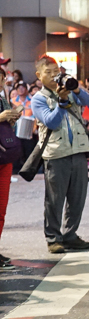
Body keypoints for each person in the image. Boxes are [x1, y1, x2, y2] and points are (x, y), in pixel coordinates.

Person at [30, 55, 89, 253]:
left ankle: (70, 235)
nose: (53, 76)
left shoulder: (70, 90)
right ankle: (53, 238)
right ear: (39, 75)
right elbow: (51, 122)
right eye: (47, 73)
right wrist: (62, 101)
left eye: (56, 72)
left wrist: (75, 89)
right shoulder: (38, 99)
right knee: (55, 199)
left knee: (77, 197)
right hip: (56, 153)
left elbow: (88, 102)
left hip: (78, 150)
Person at [0, 83, 21, 269]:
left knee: (1, 209)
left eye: (1, 79)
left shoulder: (2, 101)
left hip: (4, 157)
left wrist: (11, 118)